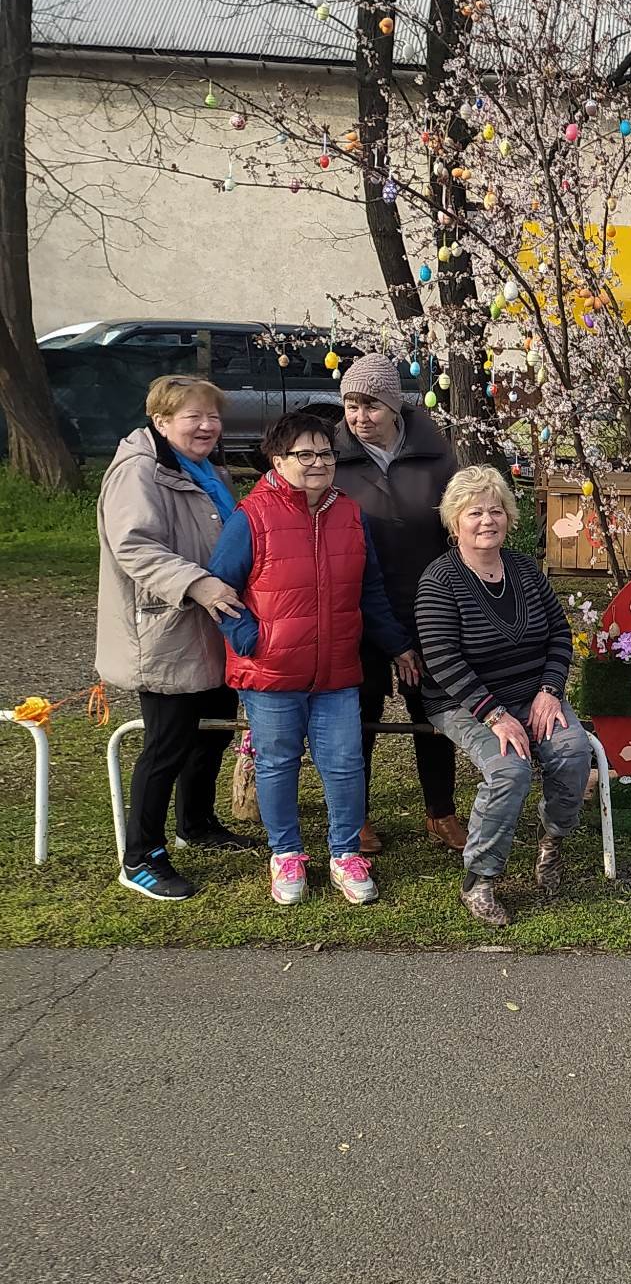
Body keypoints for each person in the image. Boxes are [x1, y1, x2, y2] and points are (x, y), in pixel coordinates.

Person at [206, 409, 416, 907]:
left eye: (325, 453)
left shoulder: (349, 514)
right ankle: (286, 854)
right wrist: (251, 639)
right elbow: (218, 589)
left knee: (344, 763)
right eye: (305, 454)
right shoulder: (251, 517)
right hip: (272, 672)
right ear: (277, 460)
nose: (318, 462)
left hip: (336, 669)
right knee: (278, 763)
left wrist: (397, 644)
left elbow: (370, 590)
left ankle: (345, 854)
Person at [96, 374, 251, 900]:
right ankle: (141, 856)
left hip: (213, 625)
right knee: (166, 744)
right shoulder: (140, 471)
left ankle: (196, 824)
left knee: (212, 732)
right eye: (193, 417)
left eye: (213, 416)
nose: (207, 426)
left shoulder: (206, 470)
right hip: (166, 628)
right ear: (161, 421)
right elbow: (134, 545)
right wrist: (198, 584)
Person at [415, 466, 590, 927]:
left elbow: (559, 635)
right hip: (465, 701)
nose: (486, 521)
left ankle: (551, 841)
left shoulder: (525, 570)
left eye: (495, 511)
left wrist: (550, 692)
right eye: (474, 513)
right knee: (509, 770)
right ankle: (480, 878)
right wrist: (494, 715)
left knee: (572, 752)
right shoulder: (439, 581)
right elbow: (442, 659)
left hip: (531, 691)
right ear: (455, 521)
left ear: (509, 518)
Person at [332, 353, 463, 855]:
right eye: (351, 405)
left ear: (394, 406)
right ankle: (358, 815)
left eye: (371, 406)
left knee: (432, 710)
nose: (360, 417)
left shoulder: (436, 456)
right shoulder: (332, 459)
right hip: (357, 607)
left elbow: (457, 522)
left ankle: (440, 811)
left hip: (425, 602)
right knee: (359, 714)